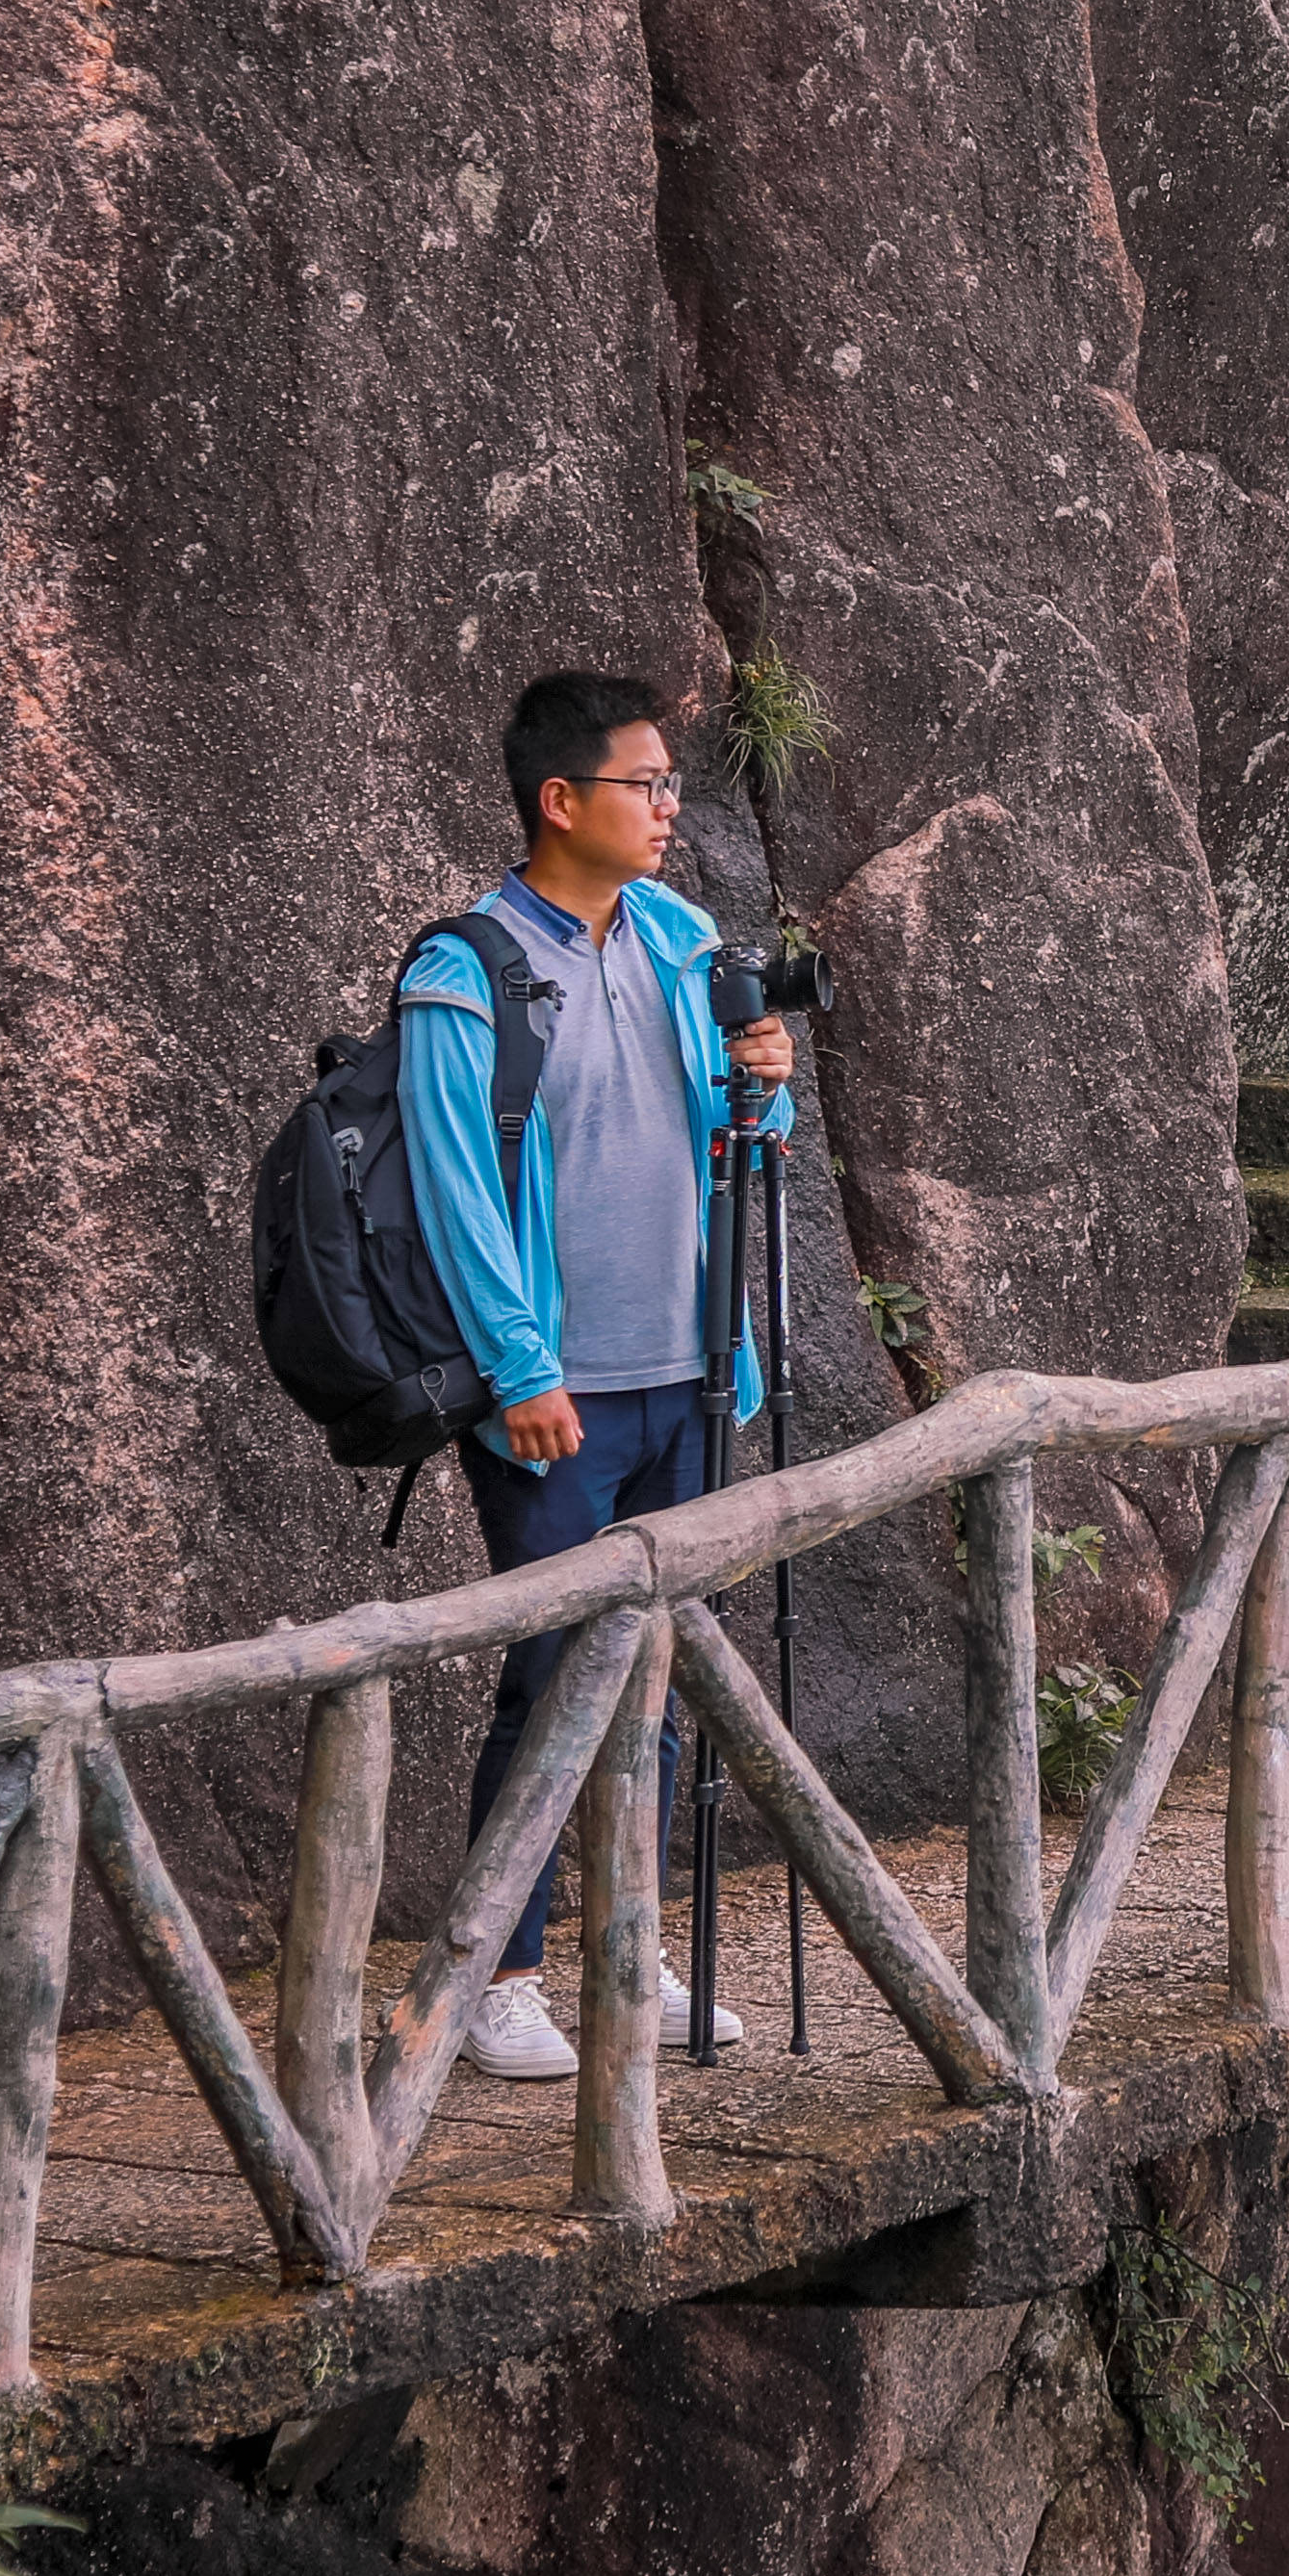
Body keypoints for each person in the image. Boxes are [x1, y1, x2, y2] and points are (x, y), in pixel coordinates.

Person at [408, 669, 799, 2079]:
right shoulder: (464, 970)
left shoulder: (687, 939)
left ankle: (630, 1949)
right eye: (645, 785)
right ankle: (493, 1976)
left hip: (687, 1376)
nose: (668, 807)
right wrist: (519, 1369)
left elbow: (746, 1138)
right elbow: (457, 1191)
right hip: (555, 1392)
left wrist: (764, 1076)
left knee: (658, 1673)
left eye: (673, 784)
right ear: (560, 800)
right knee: (553, 1671)